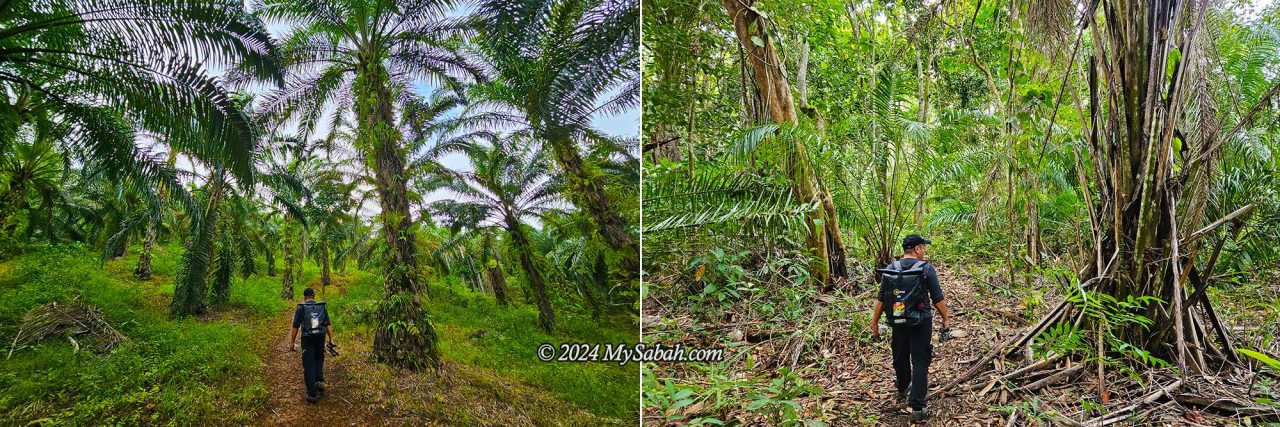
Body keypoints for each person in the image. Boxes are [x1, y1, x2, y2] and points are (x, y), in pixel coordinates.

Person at [870, 234, 951, 422]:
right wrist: (946, 319)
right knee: (920, 360)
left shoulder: (891, 268)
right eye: (923, 247)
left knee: (900, 355)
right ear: (916, 249)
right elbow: (937, 298)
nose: (924, 251)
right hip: (922, 320)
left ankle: (904, 387)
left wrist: (874, 323)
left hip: (898, 319)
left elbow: (881, 299)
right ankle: (917, 407)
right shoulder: (926, 269)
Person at [290, 287, 336, 404]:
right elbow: (328, 323)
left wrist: (292, 342)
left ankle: (311, 394)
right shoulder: (321, 306)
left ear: (305, 297)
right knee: (319, 358)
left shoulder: (301, 308)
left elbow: (295, 326)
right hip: (320, 337)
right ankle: (318, 382)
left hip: (307, 339)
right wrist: (331, 339)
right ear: (313, 296)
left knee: (309, 364)